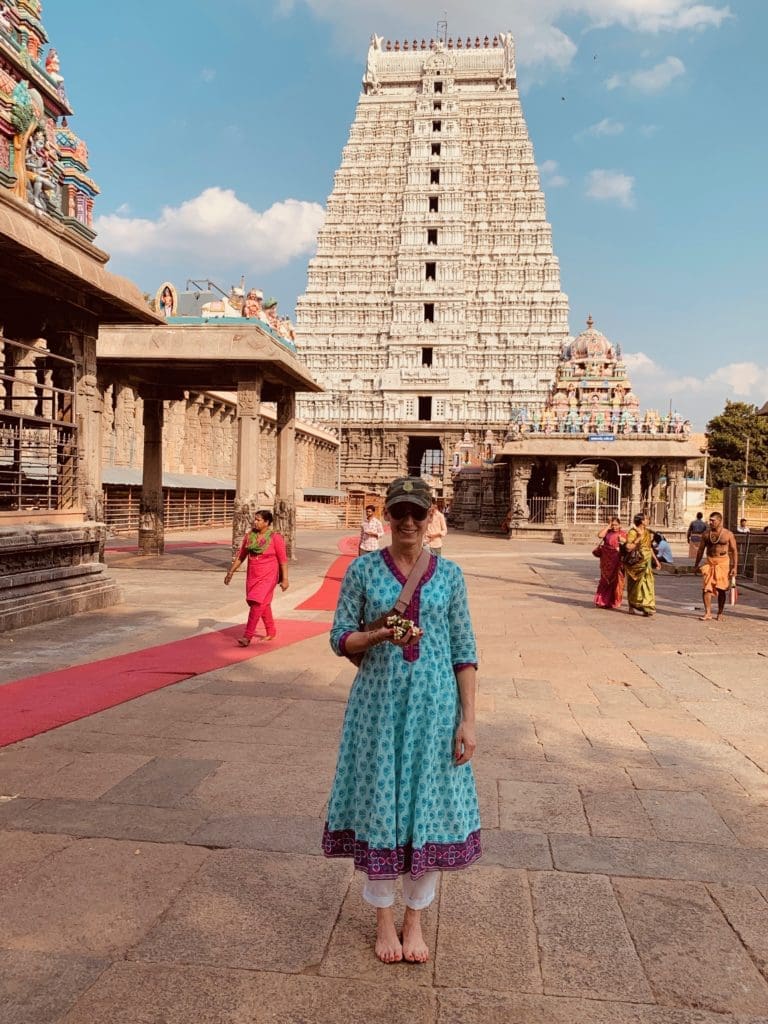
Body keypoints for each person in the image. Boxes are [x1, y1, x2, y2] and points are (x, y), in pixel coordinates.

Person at [323, 476, 480, 965]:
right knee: (381, 807)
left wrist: (468, 720)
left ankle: (415, 919)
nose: (408, 522)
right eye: (399, 514)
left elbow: (464, 651)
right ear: (387, 517)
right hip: (378, 711)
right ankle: (385, 920)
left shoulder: (450, 576)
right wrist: (378, 637)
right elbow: (339, 638)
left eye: (417, 513)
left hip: (435, 713)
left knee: (427, 811)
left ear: (431, 516)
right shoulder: (364, 572)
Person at [224, 509, 288, 645]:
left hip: (269, 575)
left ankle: (247, 636)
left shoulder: (275, 538)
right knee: (262, 603)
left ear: (267, 522)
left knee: (256, 603)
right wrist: (231, 572)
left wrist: (285, 579)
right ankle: (271, 631)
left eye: (259, 520)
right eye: (255, 519)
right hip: (253, 575)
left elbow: (283, 560)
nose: (255, 522)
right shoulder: (249, 537)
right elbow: (241, 556)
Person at [693, 511, 738, 621]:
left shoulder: (728, 534)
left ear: (719, 521)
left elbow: (734, 551)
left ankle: (720, 612)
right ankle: (708, 612)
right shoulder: (706, 534)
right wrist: (696, 564)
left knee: (721, 589)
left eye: (713, 520)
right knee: (706, 589)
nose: (711, 522)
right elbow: (700, 550)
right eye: (710, 520)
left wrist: (735, 567)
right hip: (710, 561)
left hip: (723, 563)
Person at [624, 512, 660, 616]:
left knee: (647, 583)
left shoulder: (648, 532)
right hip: (636, 561)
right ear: (641, 521)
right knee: (633, 584)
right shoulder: (633, 532)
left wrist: (656, 560)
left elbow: (649, 547)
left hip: (646, 561)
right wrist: (638, 538)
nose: (648, 521)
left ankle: (646, 606)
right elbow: (628, 547)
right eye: (646, 519)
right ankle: (632, 605)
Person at [594, 517, 626, 609]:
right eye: (613, 525)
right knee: (604, 580)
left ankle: (613, 601)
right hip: (606, 560)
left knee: (617, 581)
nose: (614, 527)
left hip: (617, 559)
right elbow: (600, 535)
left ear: (620, 525)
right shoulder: (608, 532)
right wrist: (608, 525)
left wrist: (622, 542)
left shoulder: (623, 533)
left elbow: (628, 545)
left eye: (616, 525)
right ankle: (601, 601)